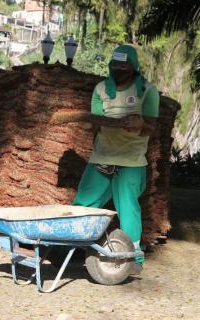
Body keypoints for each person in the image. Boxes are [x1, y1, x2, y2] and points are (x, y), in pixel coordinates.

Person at [73, 45, 159, 274]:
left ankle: (133, 260)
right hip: (102, 156)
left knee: (128, 209)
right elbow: (96, 120)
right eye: (115, 65)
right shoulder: (101, 89)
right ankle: (69, 251)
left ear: (133, 67)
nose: (119, 69)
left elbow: (152, 127)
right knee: (84, 203)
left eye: (124, 65)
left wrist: (140, 125)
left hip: (131, 162)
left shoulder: (147, 91)